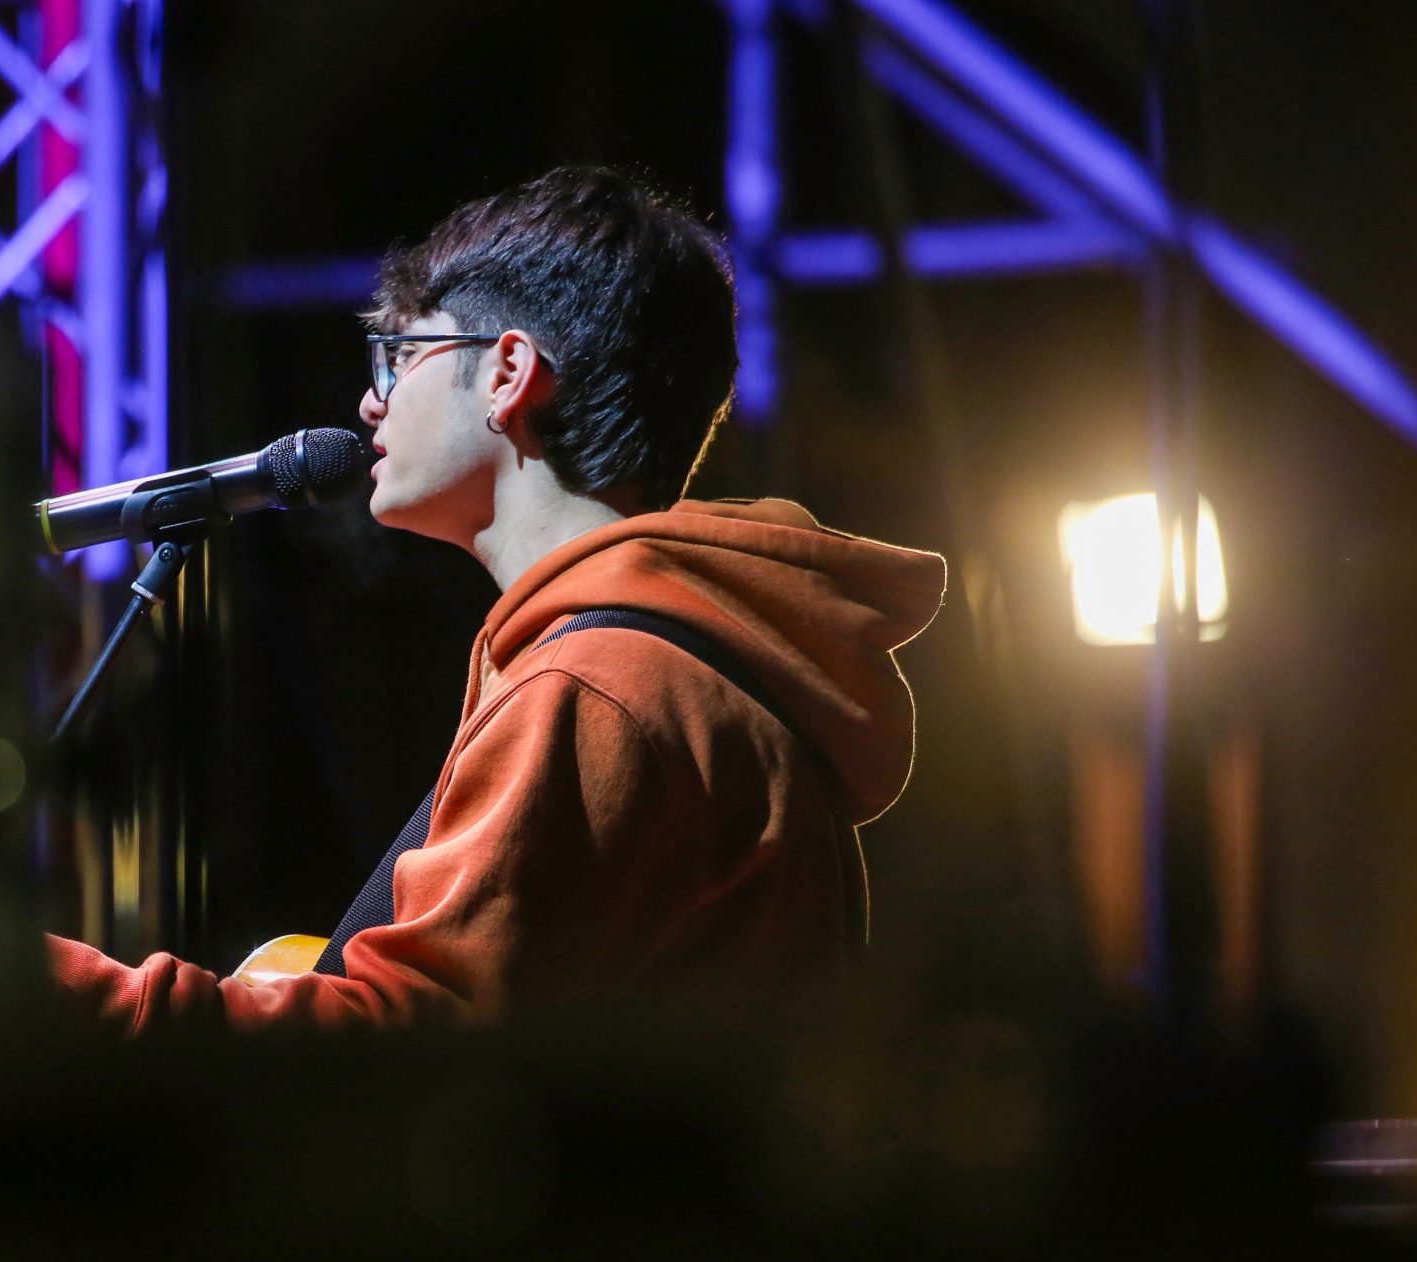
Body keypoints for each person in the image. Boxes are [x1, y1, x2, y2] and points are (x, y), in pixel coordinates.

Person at [48, 164, 946, 1034]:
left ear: (509, 371)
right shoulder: (672, 661)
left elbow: (410, 1045)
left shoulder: (598, 685)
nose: (369, 402)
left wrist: (41, 989)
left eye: (400, 355)